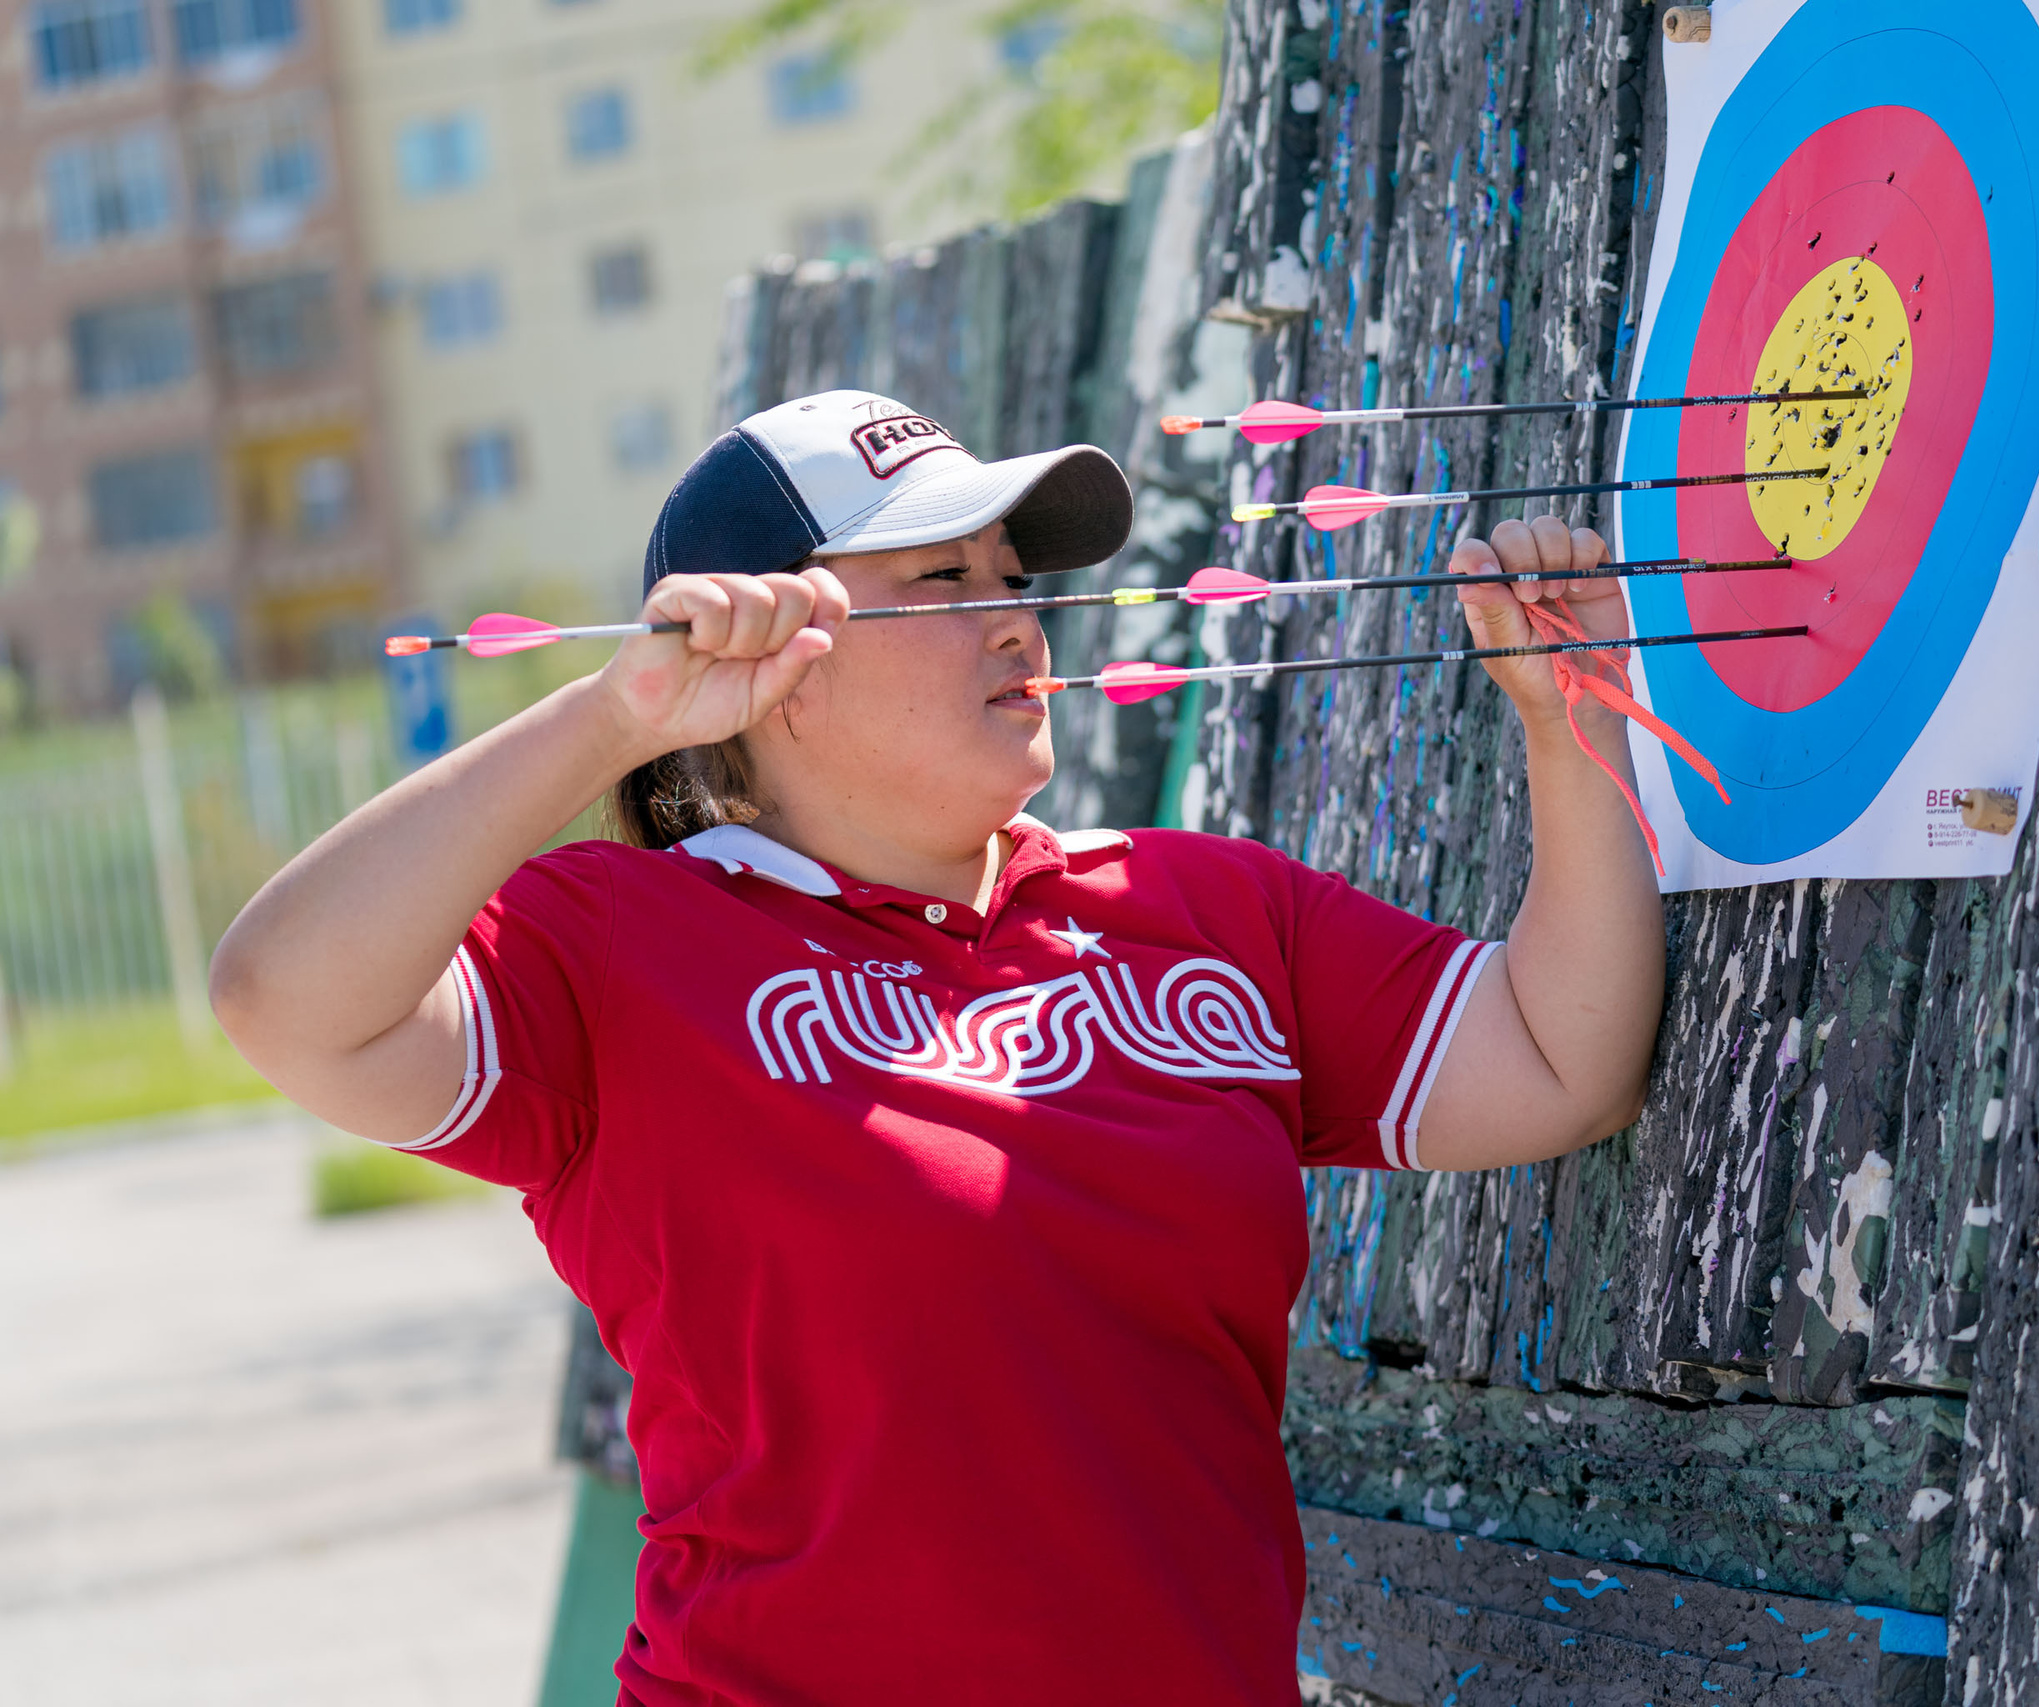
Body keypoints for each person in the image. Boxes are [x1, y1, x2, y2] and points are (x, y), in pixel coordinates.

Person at [210, 389, 1666, 1705]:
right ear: (780, 659)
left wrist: (1574, 718)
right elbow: (284, 999)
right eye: (941, 581)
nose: (1017, 618)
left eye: (1017, 579)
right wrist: (613, 719)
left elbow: (1558, 1061)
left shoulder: (1204, 908)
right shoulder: (614, 945)